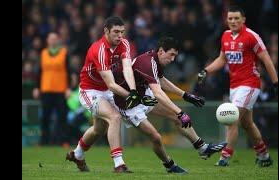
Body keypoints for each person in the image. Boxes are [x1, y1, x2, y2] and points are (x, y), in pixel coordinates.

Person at [71, 37, 227, 173]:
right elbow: (158, 92)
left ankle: (202, 148)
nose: (172, 59)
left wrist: (185, 95)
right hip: (128, 104)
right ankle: (169, 165)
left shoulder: (154, 60)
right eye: (171, 54)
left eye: (175, 55)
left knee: (99, 129)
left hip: (141, 96)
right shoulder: (148, 62)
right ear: (160, 51)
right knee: (156, 137)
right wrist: (180, 111)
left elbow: (162, 80)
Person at [65, 16, 156, 173]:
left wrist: (133, 91)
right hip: (90, 90)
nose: (120, 36)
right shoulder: (98, 49)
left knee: (98, 129)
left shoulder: (124, 43)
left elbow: (127, 68)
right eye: (116, 32)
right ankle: (119, 164)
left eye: (122, 32)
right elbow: (112, 85)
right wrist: (132, 96)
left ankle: (77, 154)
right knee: (114, 117)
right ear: (106, 31)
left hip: (106, 90)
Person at [197, 6, 278, 167]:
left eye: (236, 18)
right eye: (230, 19)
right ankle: (264, 156)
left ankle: (224, 158)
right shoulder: (226, 36)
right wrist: (206, 71)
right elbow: (222, 59)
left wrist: (275, 82)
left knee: (231, 118)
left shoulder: (251, 36)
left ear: (243, 20)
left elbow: (267, 59)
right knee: (247, 123)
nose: (233, 21)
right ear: (226, 20)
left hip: (250, 84)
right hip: (234, 86)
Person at [33, 32, 71, 146]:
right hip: (46, 89)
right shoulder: (43, 53)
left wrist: (68, 88)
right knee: (45, 117)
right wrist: (36, 87)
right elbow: (39, 72)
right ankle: (43, 141)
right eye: (51, 39)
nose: (53, 41)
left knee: (62, 117)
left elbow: (68, 71)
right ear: (47, 41)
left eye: (55, 39)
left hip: (60, 90)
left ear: (57, 40)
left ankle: (64, 141)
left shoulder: (64, 53)